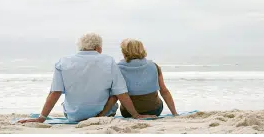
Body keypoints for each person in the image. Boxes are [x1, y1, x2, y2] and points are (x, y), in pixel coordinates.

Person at [19, 33, 156, 123]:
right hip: (104, 115)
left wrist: (41, 118)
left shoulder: (63, 62)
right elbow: (121, 92)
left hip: (74, 116)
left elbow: (55, 92)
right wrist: (136, 115)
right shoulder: (109, 61)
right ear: (97, 48)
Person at [117, 39, 179, 118]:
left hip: (128, 113)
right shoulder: (153, 66)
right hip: (155, 110)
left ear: (124, 51)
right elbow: (164, 91)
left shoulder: (118, 68)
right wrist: (174, 113)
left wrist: (136, 115)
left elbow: (121, 95)